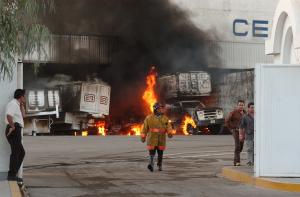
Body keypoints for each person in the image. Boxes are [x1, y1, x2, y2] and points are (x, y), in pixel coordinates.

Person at [141, 102, 173, 172]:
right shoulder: (149, 118)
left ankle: (159, 165)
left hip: (161, 139)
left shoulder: (165, 118)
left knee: (160, 153)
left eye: (162, 108)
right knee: (151, 152)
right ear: (156, 109)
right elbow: (144, 128)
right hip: (152, 138)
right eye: (160, 108)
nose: (162, 110)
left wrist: (170, 133)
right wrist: (143, 136)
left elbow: (168, 127)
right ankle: (151, 164)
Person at [5, 89, 26, 182]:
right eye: (24, 96)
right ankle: (12, 175)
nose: (25, 98)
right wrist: (13, 127)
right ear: (20, 96)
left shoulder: (17, 104)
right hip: (14, 129)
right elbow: (9, 115)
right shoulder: (13, 104)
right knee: (16, 152)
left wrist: (22, 106)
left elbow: (23, 116)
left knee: (20, 152)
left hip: (16, 129)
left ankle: (13, 174)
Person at [225, 100, 245, 166]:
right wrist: (231, 129)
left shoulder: (245, 113)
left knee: (241, 146)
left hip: (243, 132)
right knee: (237, 145)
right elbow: (227, 121)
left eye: (242, 105)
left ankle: (236, 156)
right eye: (239, 105)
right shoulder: (233, 112)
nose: (241, 106)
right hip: (236, 131)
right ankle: (237, 161)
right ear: (237, 106)